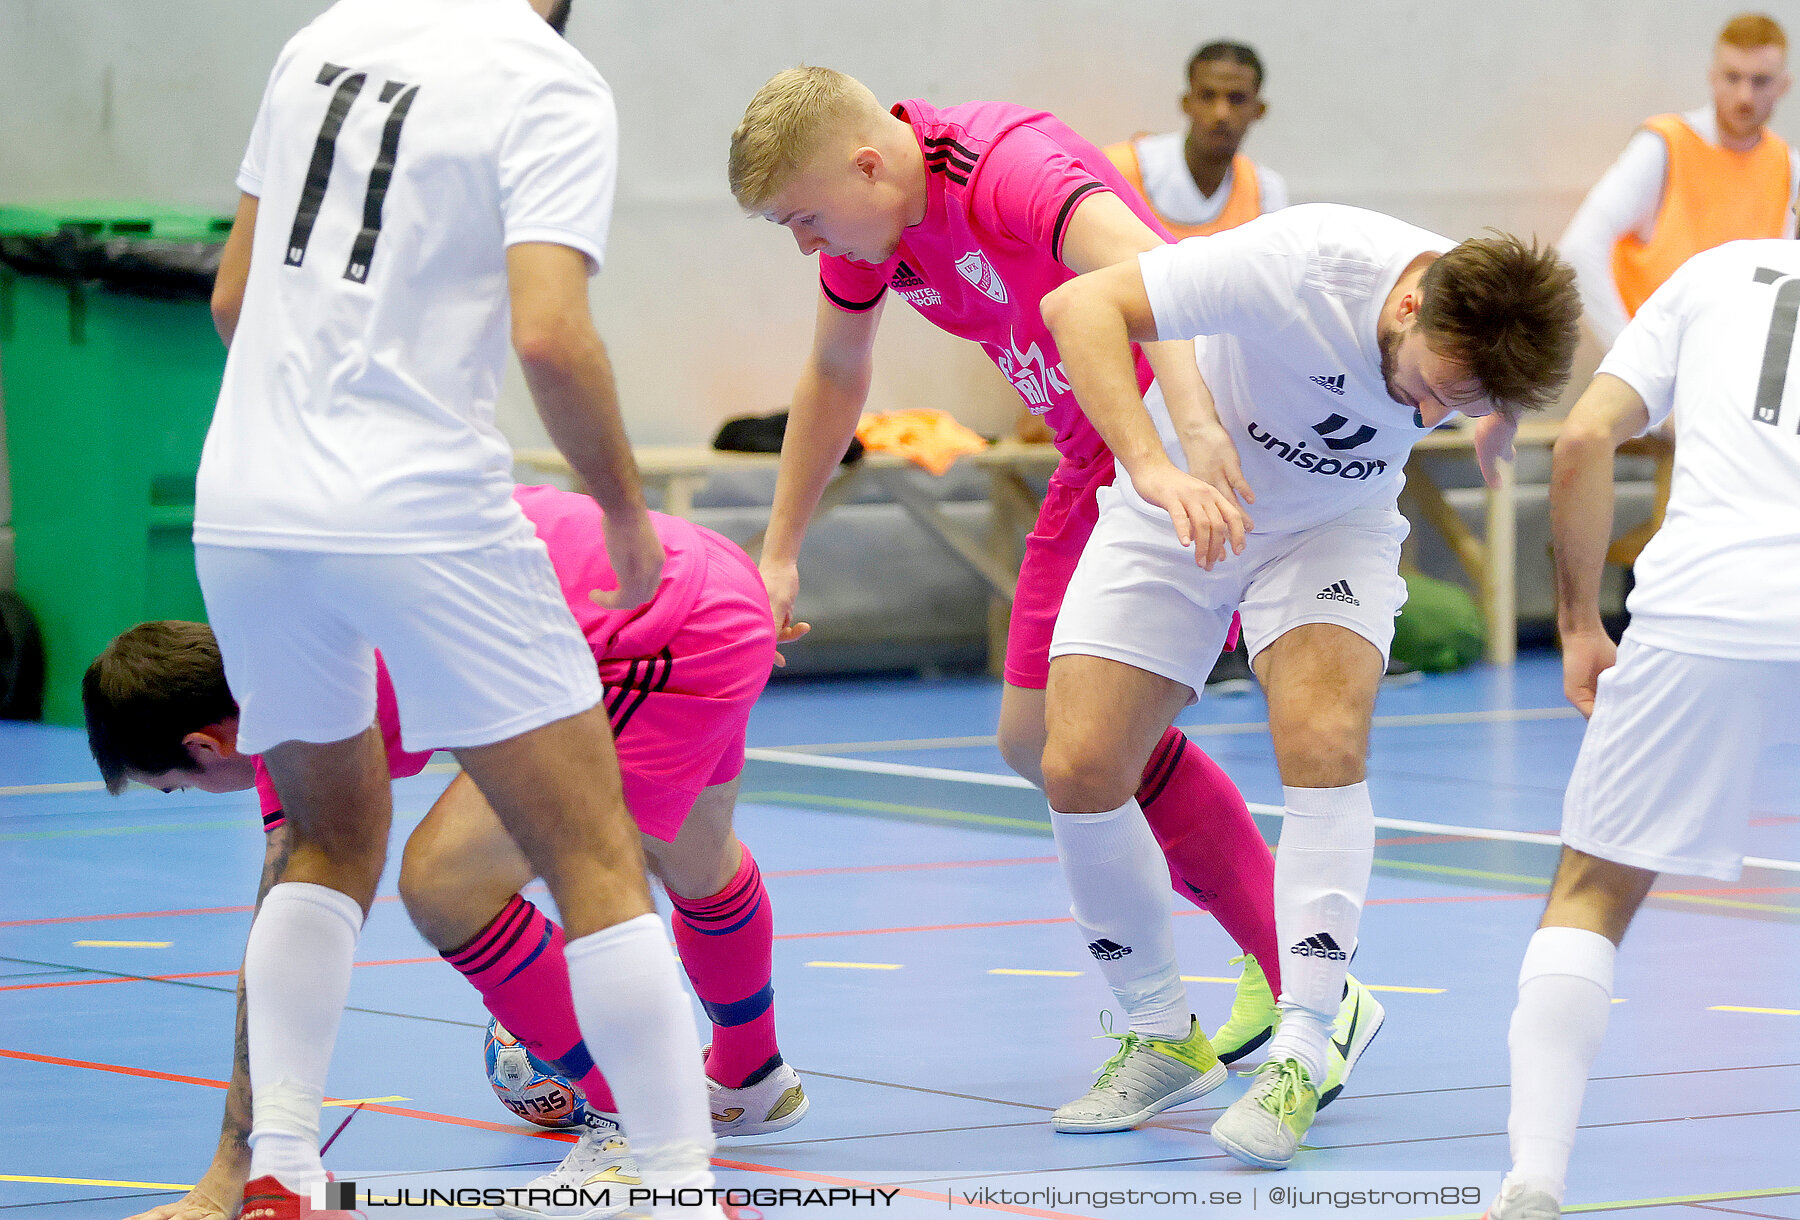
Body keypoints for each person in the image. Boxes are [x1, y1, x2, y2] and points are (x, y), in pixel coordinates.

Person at [728, 66, 1379, 1134]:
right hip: (1092, 461)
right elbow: (835, 372)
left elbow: (1161, 280)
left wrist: (1191, 440)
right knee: (1042, 742)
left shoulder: (1003, 168)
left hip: (1190, 440)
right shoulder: (873, 235)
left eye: (802, 217)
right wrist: (780, 550)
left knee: (1084, 746)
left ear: (865, 161)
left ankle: (1305, 984)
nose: (804, 243)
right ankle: (1198, 1014)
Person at [190, 0, 723, 1214]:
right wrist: (628, 512)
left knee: (324, 837)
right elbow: (548, 331)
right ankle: (687, 1183)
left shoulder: (319, 38)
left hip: (247, 499)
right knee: (591, 849)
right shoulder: (546, 78)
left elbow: (232, 299)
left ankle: (279, 1168)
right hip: (418, 499)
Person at [1036, 203, 1580, 1168]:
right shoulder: (1301, 265)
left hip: (1333, 529)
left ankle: (1303, 1043)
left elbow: (1499, 361)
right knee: (1079, 765)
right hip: (1188, 500)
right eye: (1437, 388)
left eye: (1460, 406)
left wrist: (1498, 413)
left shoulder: (1483, 319)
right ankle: (1160, 1032)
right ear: (1408, 304)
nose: (1429, 417)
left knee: (1324, 742)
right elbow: (1082, 303)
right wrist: (1156, 466)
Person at [88, 487, 797, 1220]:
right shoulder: (292, 599)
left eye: (177, 787)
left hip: (648, 634)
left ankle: (638, 1140)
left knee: (446, 883)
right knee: (696, 853)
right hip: (702, 577)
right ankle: (751, 1080)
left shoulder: (286, 705)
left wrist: (232, 1167)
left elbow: (286, 935)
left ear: (206, 745)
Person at [1484, 240, 1800, 1220]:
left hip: (1705, 607)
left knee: (1589, 891)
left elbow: (1581, 440)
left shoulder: (1715, 273)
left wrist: (1578, 625)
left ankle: (1535, 1178)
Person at [1559, 13, 1795, 348]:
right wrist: (1633, 360)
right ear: (1712, 77)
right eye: (1732, 77)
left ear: (1784, 85)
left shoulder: (1788, 166)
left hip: (1735, 372)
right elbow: (1578, 250)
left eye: (1760, 81)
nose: (1745, 96)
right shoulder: (1664, 147)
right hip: (1662, 369)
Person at [1102, 40, 1288, 242]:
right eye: (1207, 96)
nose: (1221, 114)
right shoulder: (1116, 169)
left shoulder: (1265, 193)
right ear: (1186, 103)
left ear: (1259, 110)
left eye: (1236, 98)